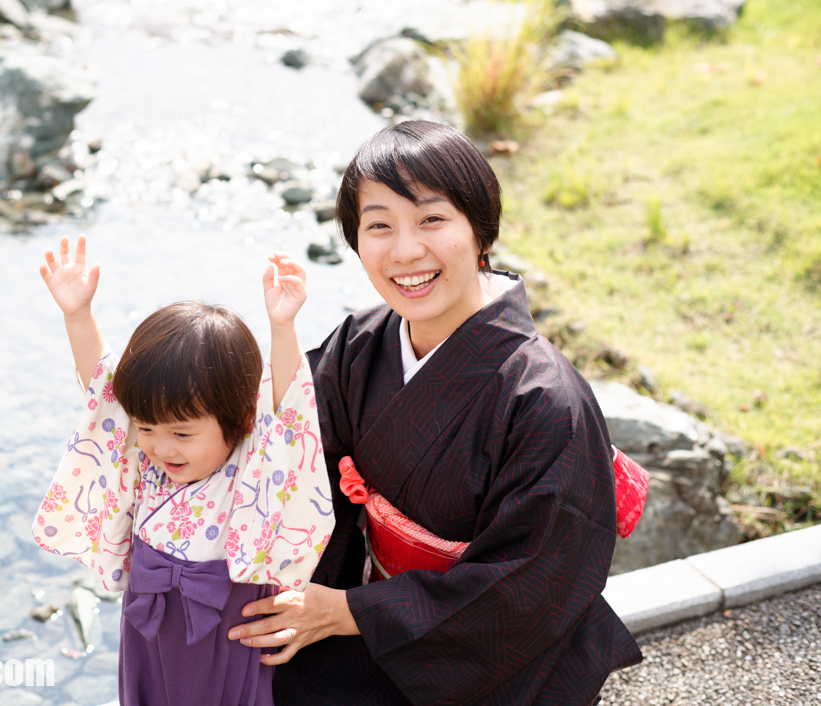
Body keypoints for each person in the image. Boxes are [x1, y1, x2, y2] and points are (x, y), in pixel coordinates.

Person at [226, 122, 643, 705]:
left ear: (481, 230)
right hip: (371, 608)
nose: (404, 252)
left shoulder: (544, 399)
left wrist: (351, 612)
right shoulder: (360, 344)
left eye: (432, 220)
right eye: (379, 226)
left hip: (492, 649)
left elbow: (532, 581)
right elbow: (294, 454)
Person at [30, 236, 335, 706]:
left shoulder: (249, 464)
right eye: (147, 427)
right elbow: (105, 393)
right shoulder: (145, 455)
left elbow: (288, 409)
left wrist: (282, 326)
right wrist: (77, 315)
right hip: (147, 621)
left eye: (182, 434)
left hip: (223, 627)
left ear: (241, 420)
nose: (159, 446)